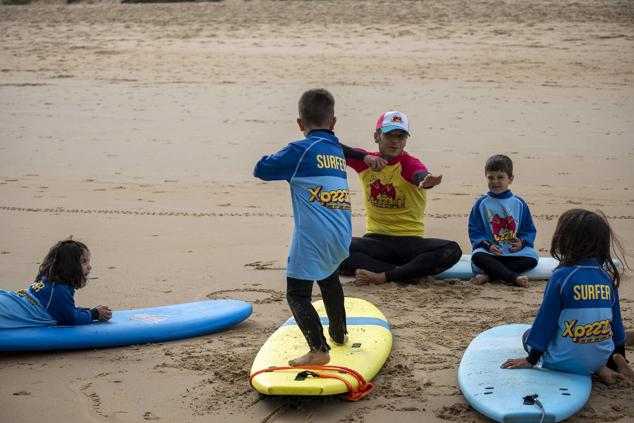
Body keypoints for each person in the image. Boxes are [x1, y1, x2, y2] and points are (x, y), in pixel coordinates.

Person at [253, 89, 383, 366]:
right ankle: (338, 334)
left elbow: (261, 169)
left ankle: (318, 349)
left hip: (313, 235)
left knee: (297, 292)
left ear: (300, 124)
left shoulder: (300, 150)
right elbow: (344, 148)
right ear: (333, 122)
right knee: (328, 277)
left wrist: (284, 153)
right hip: (341, 231)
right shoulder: (334, 149)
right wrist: (366, 157)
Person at [501, 209, 633, 385]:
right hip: (600, 357)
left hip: (563, 362)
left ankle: (595, 367)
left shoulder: (562, 276)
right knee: (595, 335)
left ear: (565, 239)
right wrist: (619, 353)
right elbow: (616, 323)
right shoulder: (606, 277)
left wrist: (531, 360)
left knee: (527, 335)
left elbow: (545, 322)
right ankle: (606, 366)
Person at [339, 110, 462, 284]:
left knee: (452, 249)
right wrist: (363, 157)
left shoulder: (409, 164)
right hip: (376, 240)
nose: (396, 141)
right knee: (335, 247)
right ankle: (407, 273)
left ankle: (382, 275)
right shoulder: (365, 162)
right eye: (390, 135)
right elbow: (330, 147)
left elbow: (420, 174)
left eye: (401, 136)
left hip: (410, 243)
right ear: (377, 136)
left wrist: (426, 181)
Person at [0, 239, 112, 329]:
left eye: (88, 261)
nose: (89, 266)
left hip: (9, 302)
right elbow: (70, 319)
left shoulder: (50, 281)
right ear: (69, 265)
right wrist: (94, 314)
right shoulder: (59, 289)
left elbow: (62, 309)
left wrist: (87, 311)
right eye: (83, 262)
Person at [467, 154, 539, 288]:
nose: (495, 182)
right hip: (490, 252)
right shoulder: (481, 203)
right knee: (478, 257)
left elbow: (528, 229)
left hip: (514, 252)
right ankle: (513, 278)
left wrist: (522, 243)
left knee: (533, 258)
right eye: (490, 177)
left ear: (510, 179)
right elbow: (475, 231)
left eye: (500, 177)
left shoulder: (519, 203)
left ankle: (489, 276)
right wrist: (488, 246)